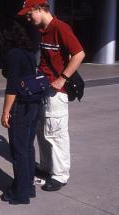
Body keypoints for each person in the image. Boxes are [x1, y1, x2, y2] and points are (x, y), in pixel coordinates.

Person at [17, 0, 85, 191]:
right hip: (43, 87)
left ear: (40, 9)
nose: (28, 18)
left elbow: (79, 54)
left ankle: (60, 175)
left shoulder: (60, 27)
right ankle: (47, 166)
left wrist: (62, 78)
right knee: (43, 130)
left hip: (57, 91)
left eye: (30, 14)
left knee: (56, 132)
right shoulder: (43, 30)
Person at [0, 19, 41, 205]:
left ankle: (20, 193)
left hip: (21, 106)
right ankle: (28, 186)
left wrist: (6, 112)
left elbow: (12, 87)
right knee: (28, 148)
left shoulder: (12, 54)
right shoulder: (28, 52)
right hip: (35, 103)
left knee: (19, 151)